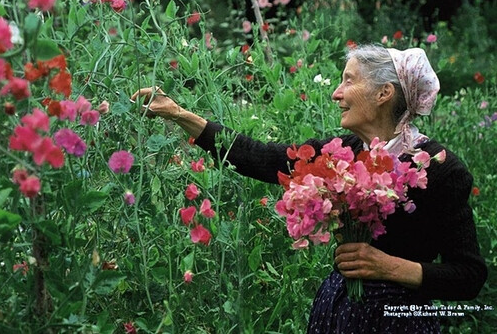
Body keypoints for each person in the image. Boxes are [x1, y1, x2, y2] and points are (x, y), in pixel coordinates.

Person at [131, 45, 487, 333]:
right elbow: (260, 158)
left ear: (383, 93)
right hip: (338, 312)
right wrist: (177, 113)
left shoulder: (439, 168)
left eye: (348, 81)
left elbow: (469, 276)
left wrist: (390, 267)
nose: (336, 93)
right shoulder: (341, 152)